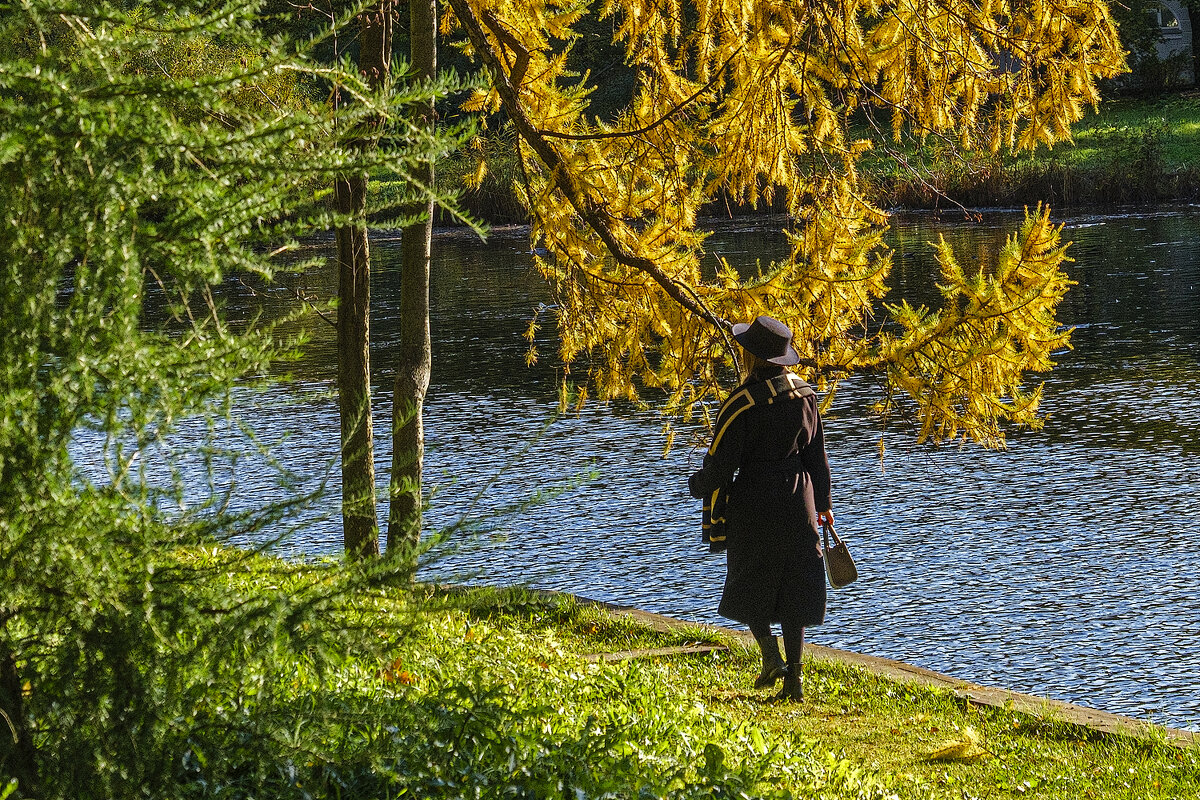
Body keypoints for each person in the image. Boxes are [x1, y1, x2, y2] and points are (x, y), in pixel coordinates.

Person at [688, 315, 834, 701]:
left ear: (749, 355)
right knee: (794, 587)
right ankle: (795, 681)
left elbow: (721, 464)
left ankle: (771, 656)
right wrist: (824, 505)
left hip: (755, 499)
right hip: (799, 497)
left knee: (747, 578)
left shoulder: (741, 404)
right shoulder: (805, 395)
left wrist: (696, 485)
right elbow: (817, 457)